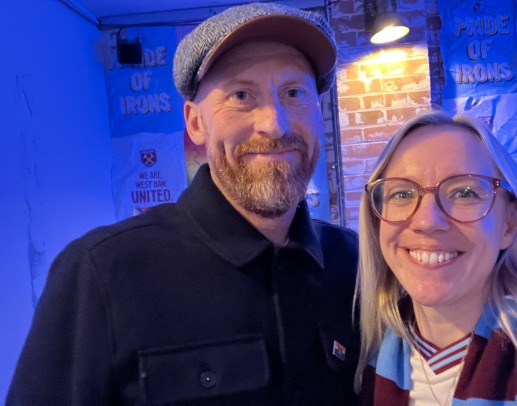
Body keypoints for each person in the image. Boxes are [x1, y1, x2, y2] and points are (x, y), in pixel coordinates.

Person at [7, 3, 359, 405]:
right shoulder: (101, 273)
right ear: (195, 123)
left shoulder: (355, 266)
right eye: (241, 95)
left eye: (294, 93)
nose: (274, 124)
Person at [355, 110, 517, 405]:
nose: (427, 221)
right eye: (402, 194)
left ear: (509, 224)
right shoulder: (364, 363)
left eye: (465, 192)